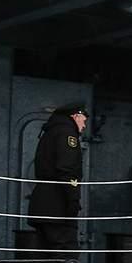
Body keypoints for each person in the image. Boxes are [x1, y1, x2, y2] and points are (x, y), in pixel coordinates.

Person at [28, 104, 87, 254]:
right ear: (75, 116)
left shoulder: (49, 132)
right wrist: (73, 200)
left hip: (42, 204)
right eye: (83, 120)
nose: (84, 125)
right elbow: (66, 169)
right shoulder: (67, 134)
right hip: (58, 206)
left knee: (46, 253)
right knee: (65, 252)